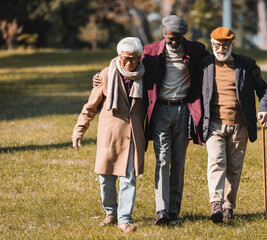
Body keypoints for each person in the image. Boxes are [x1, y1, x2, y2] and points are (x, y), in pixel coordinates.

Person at [93, 15, 208, 225]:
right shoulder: (151, 52)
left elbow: (212, 66)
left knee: (179, 163)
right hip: (160, 111)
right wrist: (102, 76)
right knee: (163, 159)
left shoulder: (196, 50)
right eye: (170, 37)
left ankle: (174, 211)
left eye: (178, 38)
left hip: (184, 111)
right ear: (163, 34)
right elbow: (129, 68)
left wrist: (245, 68)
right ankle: (161, 211)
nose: (174, 41)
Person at [72, 37, 146, 233]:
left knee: (129, 178)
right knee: (106, 178)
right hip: (109, 136)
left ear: (140, 57)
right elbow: (90, 107)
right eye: (124, 58)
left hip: (132, 136)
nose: (129, 63)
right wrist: (79, 130)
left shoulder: (146, 76)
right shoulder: (105, 75)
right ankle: (110, 212)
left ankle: (124, 218)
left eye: (133, 59)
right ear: (118, 56)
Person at [200, 27, 267, 223]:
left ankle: (228, 206)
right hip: (214, 124)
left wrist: (264, 108)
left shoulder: (246, 65)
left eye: (225, 45)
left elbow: (264, 89)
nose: (221, 49)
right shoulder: (205, 65)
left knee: (234, 168)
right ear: (211, 44)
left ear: (232, 45)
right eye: (217, 45)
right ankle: (216, 204)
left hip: (240, 125)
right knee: (216, 162)